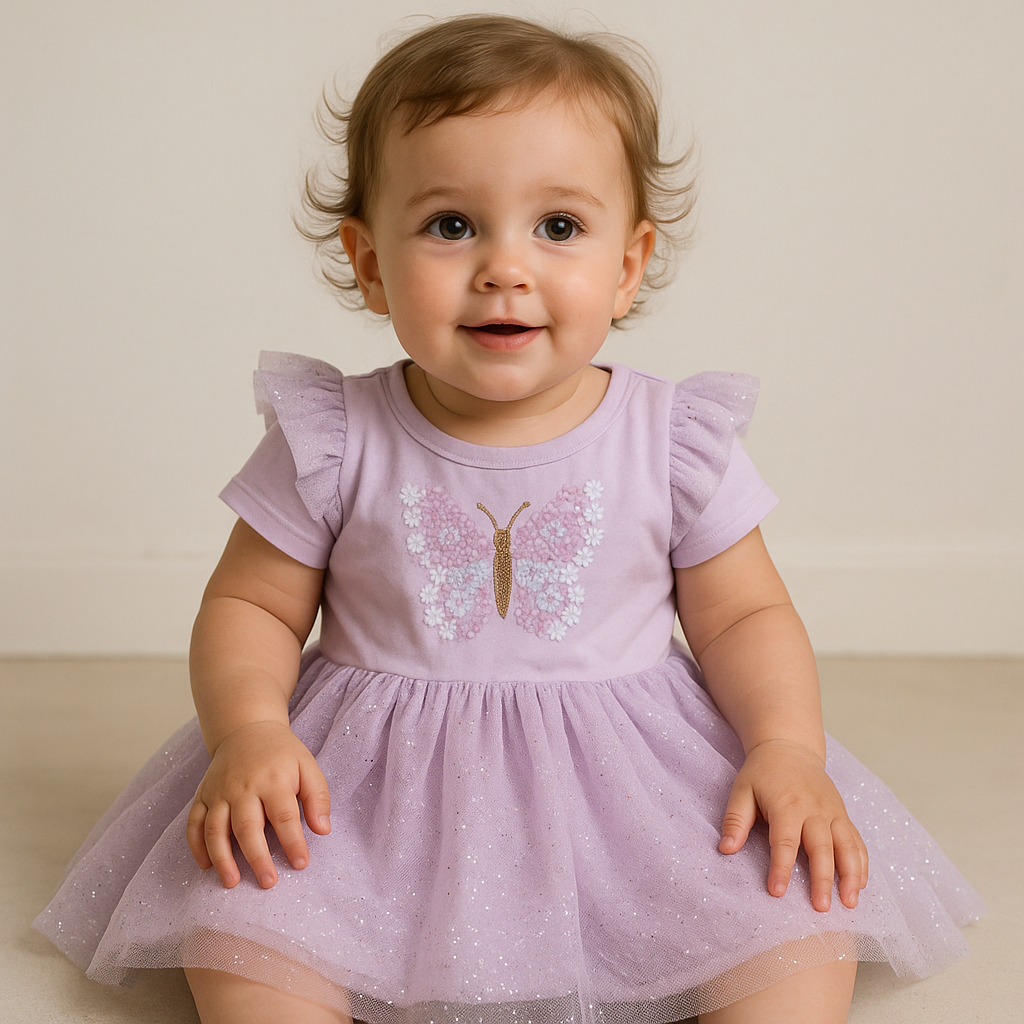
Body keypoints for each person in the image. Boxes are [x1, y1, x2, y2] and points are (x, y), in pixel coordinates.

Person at [35, 14, 983, 1024]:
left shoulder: (671, 440)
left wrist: (786, 747)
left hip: (634, 800)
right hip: (368, 800)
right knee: (252, 929)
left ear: (628, 265)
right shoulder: (335, 438)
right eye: (451, 226)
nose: (504, 267)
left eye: (558, 228)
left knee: (787, 925)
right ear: (368, 261)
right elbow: (252, 606)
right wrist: (252, 731)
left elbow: (745, 616)